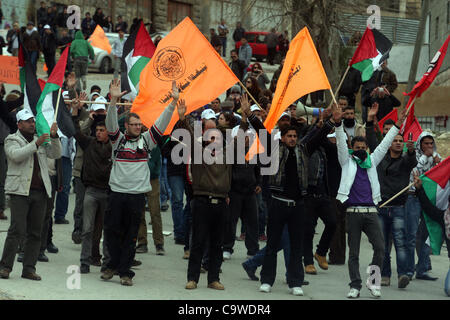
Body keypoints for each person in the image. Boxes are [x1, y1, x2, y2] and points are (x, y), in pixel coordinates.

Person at [241, 95, 338, 296]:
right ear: (283, 138)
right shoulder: (275, 149)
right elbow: (262, 132)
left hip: (298, 205)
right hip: (277, 203)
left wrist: (331, 120)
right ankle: (267, 280)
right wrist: (250, 115)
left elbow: (318, 136)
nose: (293, 139)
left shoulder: (304, 149)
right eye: (289, 136)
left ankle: (295, 282)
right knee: (272, 244)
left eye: (295, 136)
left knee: (296, 245)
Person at [102, 79, 180, 286]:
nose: (137, 127)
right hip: (117, 193)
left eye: (139, 125)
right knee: (111, 232)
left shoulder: (147, 141)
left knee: (130, 236)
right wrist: (113, 102)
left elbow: (161, 123)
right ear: (126, 126)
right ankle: (111, 266)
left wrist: (172, 103)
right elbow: (110, 123)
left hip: (137, 196)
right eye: (134, 125)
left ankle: (125, 272)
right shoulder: (118, 141)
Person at [336, 104, 406, 299]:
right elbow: (341, 142)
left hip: (371, 212)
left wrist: (397, 126)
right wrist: (337, 123)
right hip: (353, 213)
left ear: (367, 148)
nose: (360, 151)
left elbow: (385, 145)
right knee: (354, 253)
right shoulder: (346, 161)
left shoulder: (372, 161)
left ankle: (373, 282)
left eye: (363, 148)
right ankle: (355, 285)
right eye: (356, 148)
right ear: (352, 149)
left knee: (380, 248)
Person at [0, 110, 61, 281]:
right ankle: (5, 266)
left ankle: (29, 268)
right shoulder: (12, 139)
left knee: (36, 232)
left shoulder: (40, 138)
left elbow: (55, 154)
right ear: (19, 124)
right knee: (17, 229)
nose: (32, 124)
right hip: (19, 190)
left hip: (40, 191)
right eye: (27, 122)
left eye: (32, 121)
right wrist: (36, 143)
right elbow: (15, 156)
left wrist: (54, 137)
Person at [70, 96, 111, 274]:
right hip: (91, 192)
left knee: (107, 230)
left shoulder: (115, 146)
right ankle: (85, 262)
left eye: (103, 130)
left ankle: (107, 263)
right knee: (87, 229)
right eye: (98, 130)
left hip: (108, 193)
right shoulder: (88, 143)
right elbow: (75, 130)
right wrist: (75, 112)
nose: (99, 133)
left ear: (109, 132)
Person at [223, 113, 261, 261]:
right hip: (234, 192)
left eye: (248, 137)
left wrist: (258, 183)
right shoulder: (231, 153)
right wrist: (226, 192)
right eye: (244, 137)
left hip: (250, 192)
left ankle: (252, 250)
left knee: (252, 222)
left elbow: (258, 170)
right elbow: (227, 172)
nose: (247, 139)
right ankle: (227, 248)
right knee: (230, 222)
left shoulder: (253, 152)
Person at [405, 131, 442, 281]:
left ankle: (422, 269)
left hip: (429, 200)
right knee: (411, 235)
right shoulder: (414, 157)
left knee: (426, 236)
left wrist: (437, 161)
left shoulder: (437, 158)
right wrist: (426, 156)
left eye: (431, 143)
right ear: (420, 144)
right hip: (413, 198)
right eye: (425, 143)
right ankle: (407, 271)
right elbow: (416, 171)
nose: (429, 146)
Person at [136, 145, 165, 255]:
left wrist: (152, 171)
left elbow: (157, 163)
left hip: (152, 179)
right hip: (138, 179)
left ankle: (159, 243)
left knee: (155, 212)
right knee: (139, 212)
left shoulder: (155, 146)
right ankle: (142, 242)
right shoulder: (135, 144)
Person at [0, 88, 24, 220]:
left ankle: (0, 207)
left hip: (2, 145)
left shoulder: (3, 106)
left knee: (2, 178)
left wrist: (26, 86)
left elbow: (15, 103)